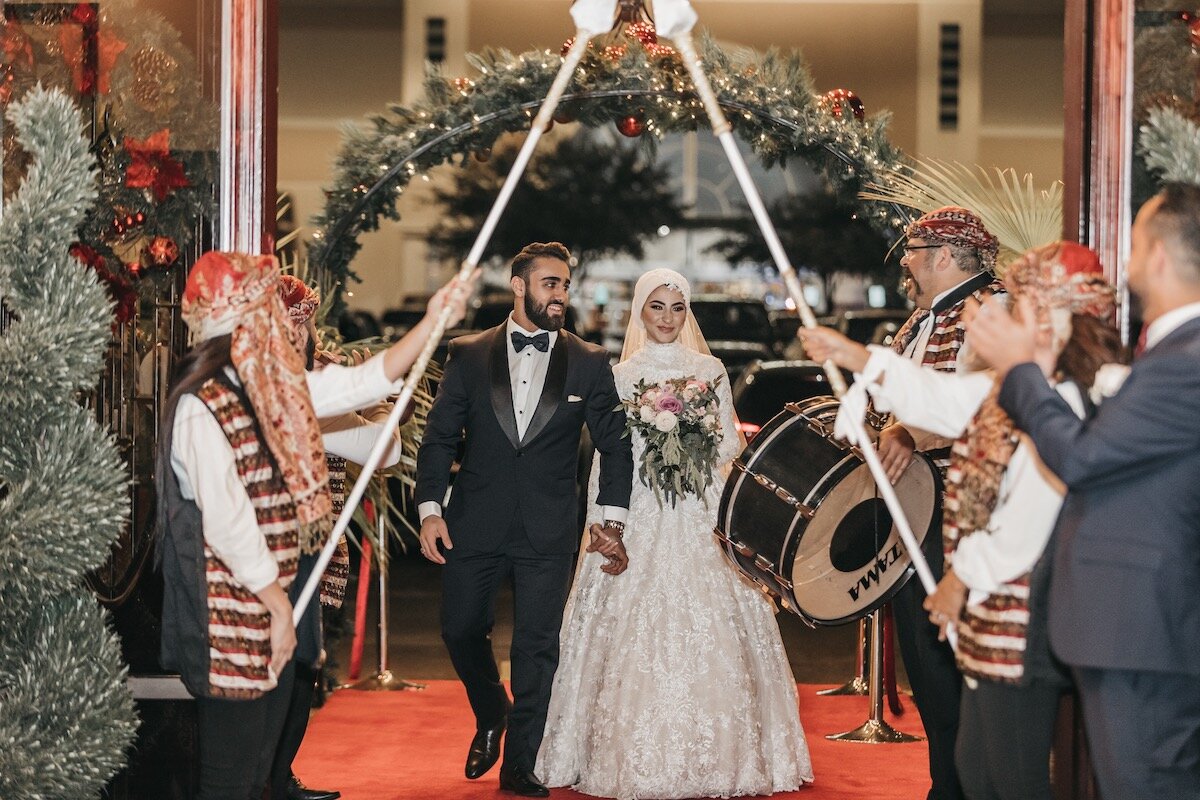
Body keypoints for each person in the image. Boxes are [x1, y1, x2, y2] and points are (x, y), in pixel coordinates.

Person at [802, 241, 1120, 800]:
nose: (1002, 318)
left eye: (1020, 309)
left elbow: (1029, 518)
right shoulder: (1011, 389)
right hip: (990, 613)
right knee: (977, 770)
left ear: (1053, 325)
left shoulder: (1061, 397)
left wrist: (960, 579)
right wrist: (855, 356)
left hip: (1023, 620)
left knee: (1011, 778)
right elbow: (940, 399)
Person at [156, 251, 474, 800]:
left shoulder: (269, 388)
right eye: (267, 315)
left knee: (258, 770)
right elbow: (229, 524)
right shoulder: (200, 406)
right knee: (229, 778)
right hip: (228, 613)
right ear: (239, 324)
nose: (281, 327)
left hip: (278, 603)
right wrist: (277, 607)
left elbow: (358, 384)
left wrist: (433, 322)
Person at [535, 268, 813, 799]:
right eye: (656, 307)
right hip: (640, 507)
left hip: (698, 507)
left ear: (688, 313)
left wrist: (712, 481)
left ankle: (722, 755)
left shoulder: (709, 370)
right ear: (640, 311)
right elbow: (608, 458)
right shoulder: (620, 375)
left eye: (676, 307)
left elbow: (730, 446)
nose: (666, 318)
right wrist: (603, 522)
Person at [968, 184, 1200, 798]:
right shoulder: (1172, 351)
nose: (1123, 265)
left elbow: (1082, 457)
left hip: (1147, 629)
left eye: (1133, 244)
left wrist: (1022, 371)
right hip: (1137, 625)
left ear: (1155, 256)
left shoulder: (1185, 359)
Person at [415, 242, 633, 798]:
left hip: (549, 527)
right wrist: (430, 509)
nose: (560, 295)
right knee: (459, 628)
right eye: (550, 284)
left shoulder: (588, 360)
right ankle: (492, 709)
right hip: (474, 520)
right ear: (519, 285)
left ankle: (520, 763)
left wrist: (610, 519)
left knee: (537, 646)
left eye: (565, 285)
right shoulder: (467, 353)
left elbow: (617, 444)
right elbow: (440, 437)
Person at [863, 206, 1004, 800]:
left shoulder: (990, 311)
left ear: (945, 255)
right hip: (918, 512)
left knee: (952, 663)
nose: (905, 264)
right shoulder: (922, 320)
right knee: (926, 661)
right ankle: (947, 783)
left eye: (912, 251)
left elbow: (991, 404)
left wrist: (906, 434)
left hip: (960, 515)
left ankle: (966, 787)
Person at [268, 275, 406, 800]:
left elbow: (384, 447)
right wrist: (382, 416)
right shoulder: (298, 387)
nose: (295, 336)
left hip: (316, 550)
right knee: (290, 670)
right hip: (283, 549)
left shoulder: (319, 376)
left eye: (300, 326)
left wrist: (379, 418)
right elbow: (380, 446)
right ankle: (271, 778)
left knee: (301, 669)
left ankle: (278, 776)